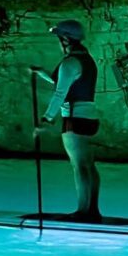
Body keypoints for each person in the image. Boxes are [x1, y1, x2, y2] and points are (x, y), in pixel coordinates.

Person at [31, 20, 101, 222]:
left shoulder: (70, 63)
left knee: (79, 166)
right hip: (89, 117)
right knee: (89, 165)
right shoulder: (87, 60)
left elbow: (60, 93)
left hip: (73, 119)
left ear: (66, 39)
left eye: (59, 38)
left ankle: (82, 211)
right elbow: (64, 82)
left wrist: (47, 118)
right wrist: (42, 73)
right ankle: (92, 209)